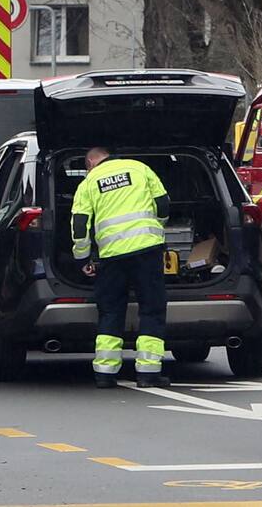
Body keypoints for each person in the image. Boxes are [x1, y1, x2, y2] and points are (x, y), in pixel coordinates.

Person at [71, 146, 171, 389]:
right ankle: (148, 373)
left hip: (112, 257)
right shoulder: (140, 168)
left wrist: (82, 259)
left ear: (90, 164)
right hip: (147, 250)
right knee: (151, 309)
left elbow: (80, 225)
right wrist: (156, 228)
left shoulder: (89, 182)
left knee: (110, 311)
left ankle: (105, 374)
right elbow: (163, 204)